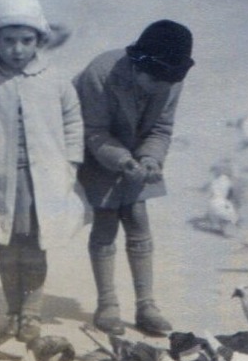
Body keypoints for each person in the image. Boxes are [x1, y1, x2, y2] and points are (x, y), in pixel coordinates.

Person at [0, 0, 83, 342]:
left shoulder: (55, 79)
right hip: (0, 179)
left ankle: (32, 314)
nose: (18, 49)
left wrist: (71, 163)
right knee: (7, 249)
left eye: (26, 40)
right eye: (8, 41)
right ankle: (12, 311)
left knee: (36, 248)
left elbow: (73, 122)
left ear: (40, 40)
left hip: (45, 179)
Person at [73, 19, 193, 336]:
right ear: (137, 63)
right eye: (153, 79)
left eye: (165, 82)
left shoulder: (170, 81)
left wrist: (151, 159)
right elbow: (93, 130)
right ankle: (108, 304)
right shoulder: (100, 73)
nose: (158, 87)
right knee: (107, 219)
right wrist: (122, 159)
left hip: (136, 150)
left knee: (138, 216)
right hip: (96, 148)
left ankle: (146, 306)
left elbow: (160, 129)